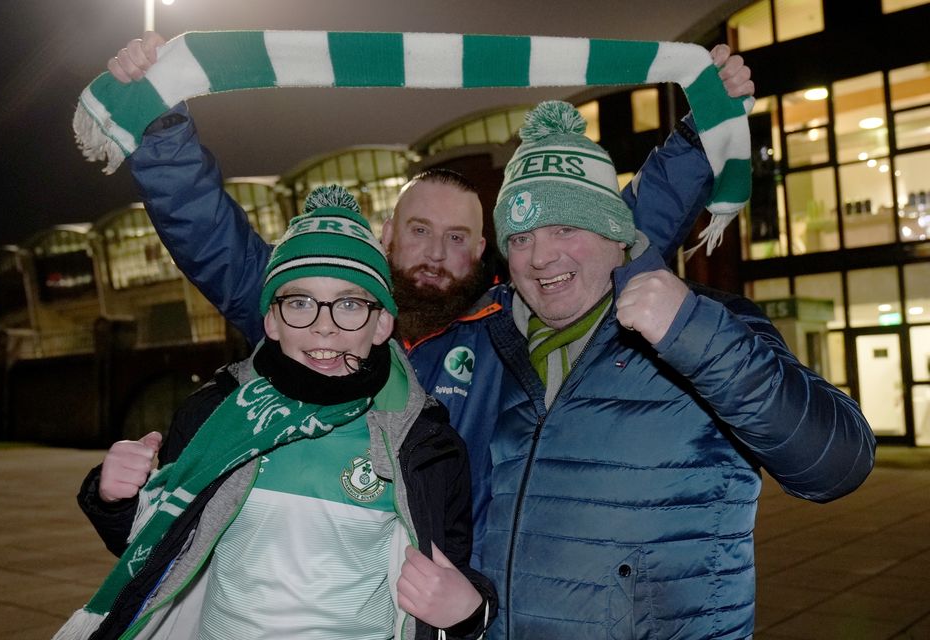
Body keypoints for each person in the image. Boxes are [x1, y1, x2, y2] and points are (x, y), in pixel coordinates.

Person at [105, 32, 754, 565]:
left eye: (456, 238)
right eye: (419, 232)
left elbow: (610, 235)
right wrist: (161, 120)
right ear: (388, 234)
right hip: (322, 586)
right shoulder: (324, 314)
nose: (436, 253)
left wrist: (702, 134)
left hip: (451, 599)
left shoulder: (512, 331)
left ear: (481, 251)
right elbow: (215, 241)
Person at [479, 100, 876, 639]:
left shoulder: (705, 325)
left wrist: (693, 336)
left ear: (616, 233)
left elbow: (838, 465)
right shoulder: (493, 344)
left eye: (565, 228)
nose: (540, 258)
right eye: (520, 238)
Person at [63, 186, 496, 640]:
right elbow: (155, 552)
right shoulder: (216, 413)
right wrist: (116, 499)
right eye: (300, 303)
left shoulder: (425, 444)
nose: (324, 324)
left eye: (350, 303)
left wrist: (471, 611)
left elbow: (447, 589)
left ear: (382, 324)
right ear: (271, 319)